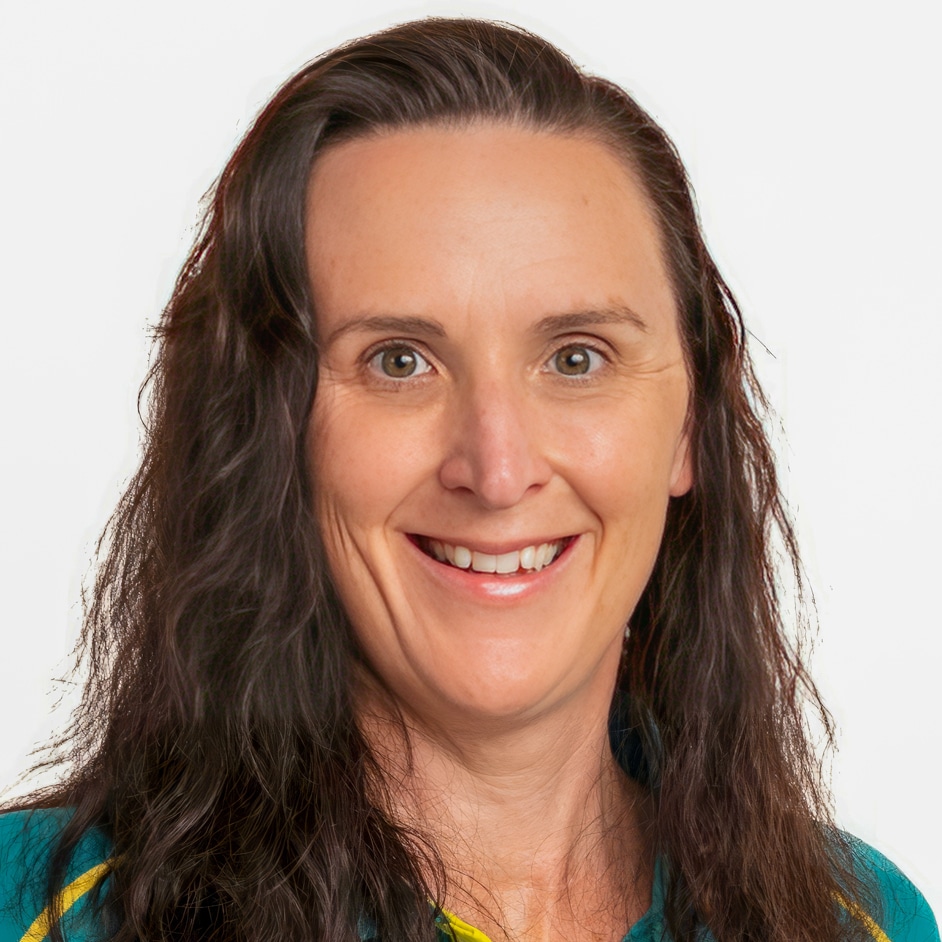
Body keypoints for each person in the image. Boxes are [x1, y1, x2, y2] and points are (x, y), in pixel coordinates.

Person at [0, 17, 936, 942]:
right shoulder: (42, 911)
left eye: (577, 358)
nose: (497, 470)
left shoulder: (860, 920)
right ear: (269, 428)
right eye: (399, 362)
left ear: (688, 421)